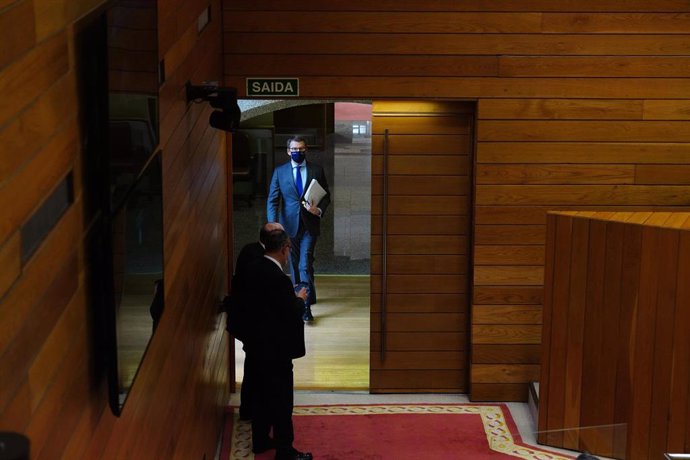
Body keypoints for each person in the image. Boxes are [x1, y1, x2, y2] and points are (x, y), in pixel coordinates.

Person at [246, 228, 312, 460]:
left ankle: (261, 440)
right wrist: (299, 300)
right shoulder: (279, 279)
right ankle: (285, 449)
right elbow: (288, 312)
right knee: (282, 400)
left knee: (261, 395)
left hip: (256, 345)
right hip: (276, 349)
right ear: (285, 249)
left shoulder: (251, 269)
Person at [225, 222, 284, 421]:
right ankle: (252, 409)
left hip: (250, 321)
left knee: (253, 367)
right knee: (255, 369)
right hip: (252, 323)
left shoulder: (251, 250)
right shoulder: (257, 257)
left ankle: (250, 409)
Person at [267, 135, 330, 322]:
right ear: (288, 151)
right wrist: (273, 223)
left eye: (301, 149)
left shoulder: (316, 170)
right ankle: (306, 295)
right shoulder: (280, 172)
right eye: (294, 150)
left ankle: (305, 308)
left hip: (310, 224)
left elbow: (326, 196)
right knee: (295, 266)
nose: (298, 152)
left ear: (306, 150)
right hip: (288, 226)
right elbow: (272, 200)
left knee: (304, 263)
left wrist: (318, 209)